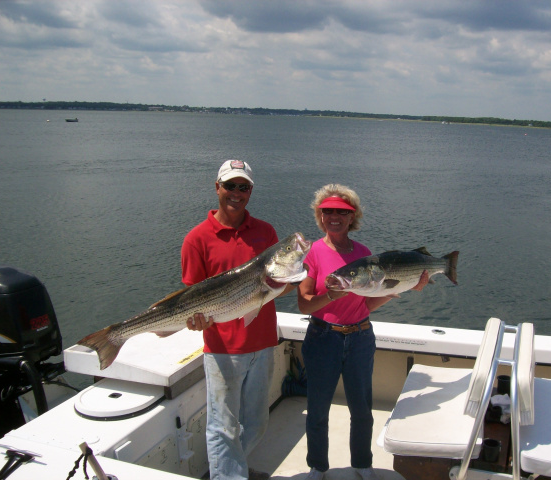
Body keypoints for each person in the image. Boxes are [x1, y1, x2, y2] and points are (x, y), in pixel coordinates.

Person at [297, 184, 429, 480]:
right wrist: (333, 296)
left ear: (351, 217)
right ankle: (317, 466)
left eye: (342, 212)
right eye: (328, 211)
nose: (334, 216)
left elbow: (368, 304)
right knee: (317, 410)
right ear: (320, 215)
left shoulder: (365, 253)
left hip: (360, 337)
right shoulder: (313, 253)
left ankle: (361, 463)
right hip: (322, 339)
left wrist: (407, 287)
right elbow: (304, 304)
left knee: (362, 408)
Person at [182, 159, 289, 480]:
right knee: (223, 426)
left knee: (257, 422)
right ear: (217, 187)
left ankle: (232, 470)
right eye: (230, 186)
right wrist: (194, 319)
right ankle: (230, 475)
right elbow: (191, 301)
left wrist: (277, 286)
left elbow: (277, 287)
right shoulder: (197, 239)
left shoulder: (266, 232)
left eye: (243, 187)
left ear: (250, 191)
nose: (236, 193)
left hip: (263, 344)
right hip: (222, 350)